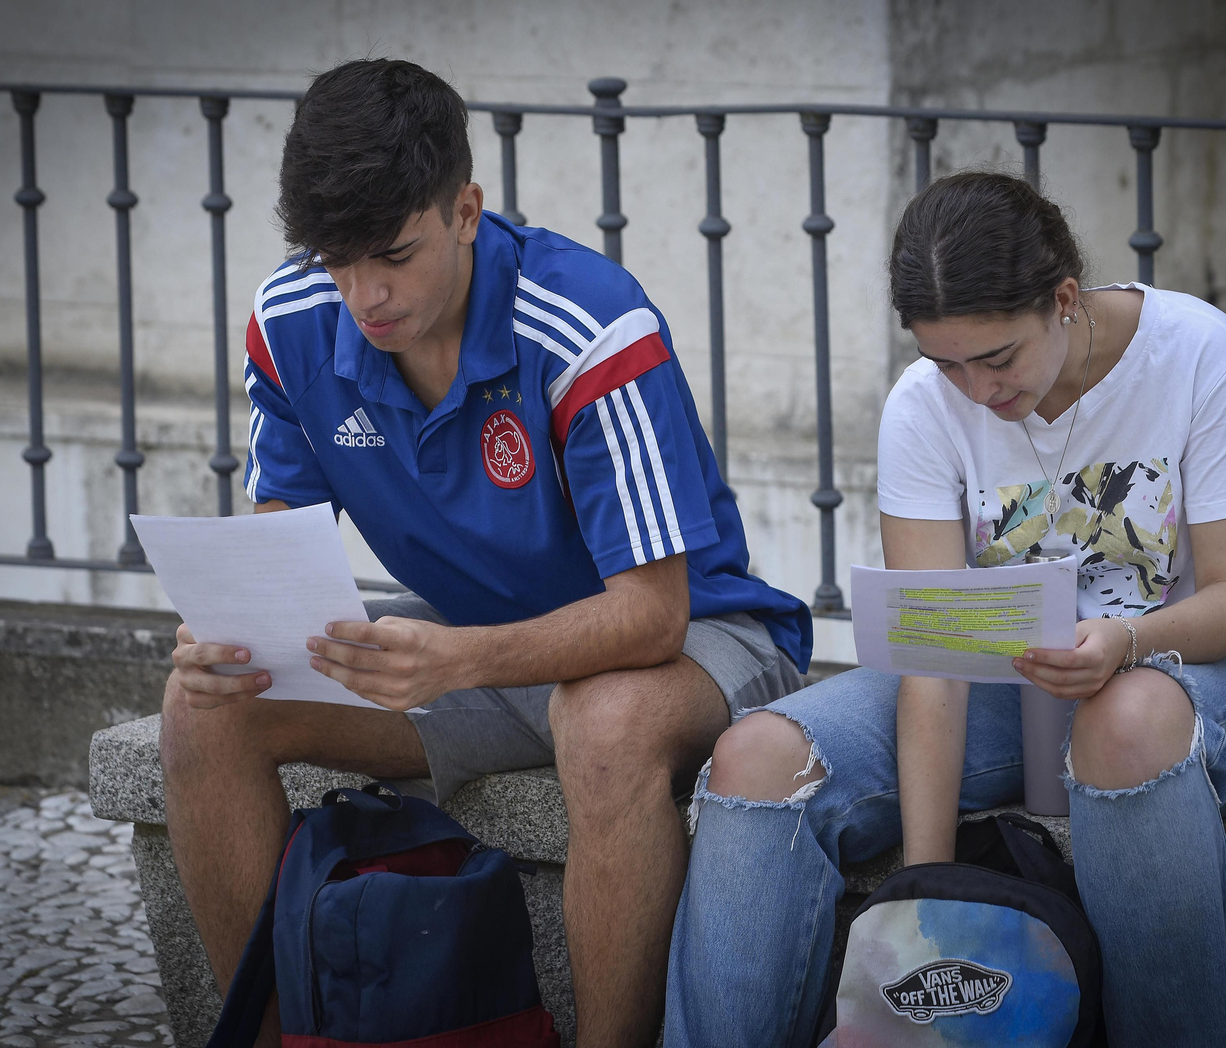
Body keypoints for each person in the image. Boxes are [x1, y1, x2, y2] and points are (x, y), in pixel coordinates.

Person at [159, 58, 811, 1048]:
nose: (363, 294)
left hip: (699, 642)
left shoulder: (587, 323)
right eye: (335, 259)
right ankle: (268, 1035)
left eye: (391, 253)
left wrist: (460, 656)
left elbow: (651, 614)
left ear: (464, 209)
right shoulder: (292, 317)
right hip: (487, 648)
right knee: (204, 708)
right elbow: (274, 544)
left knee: (604, 715)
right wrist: (228, 631)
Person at [665, 171, 1226, 1048]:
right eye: (945, 363)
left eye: (998, 358)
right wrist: (927, 915)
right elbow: (935, 652)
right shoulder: (923, 408)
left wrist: (1126, 639)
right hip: (1015, 689)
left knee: (1124, 719)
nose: (975, 391)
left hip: (1213, 678)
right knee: (757, 759)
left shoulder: (1198, 353)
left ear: (1065, 299)